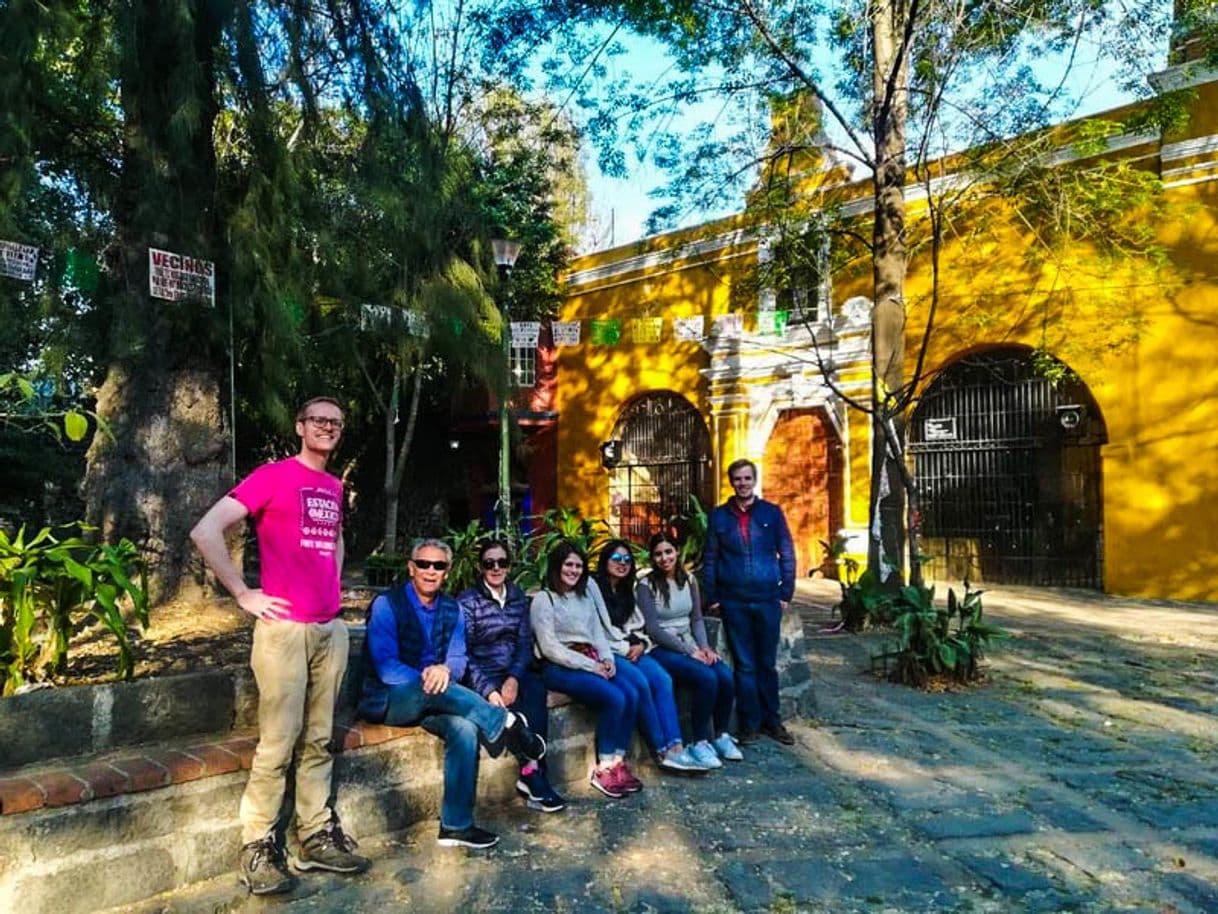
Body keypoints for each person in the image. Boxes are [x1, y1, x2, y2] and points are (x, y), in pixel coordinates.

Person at [189, 396, 369, 895]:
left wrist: (332, 590)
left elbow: (333, 541)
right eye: (318, 421)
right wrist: (243, 593)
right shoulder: (273, 475)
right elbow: (205, 530)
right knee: (279, 741)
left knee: (319, 739)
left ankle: (315, 833)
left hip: (329, 630)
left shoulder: (333, 486)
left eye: (335, 422)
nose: (327, 428)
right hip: (283, 631)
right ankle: (259, 844)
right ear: (300, 426)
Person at [358, 538, 546, 850]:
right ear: (411, 567)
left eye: (439, 565)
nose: (431, 571)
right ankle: (508, 725)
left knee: (464, 727)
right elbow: (386, 666)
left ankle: (456, 825)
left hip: (439, 695)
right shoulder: (386, 606)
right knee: (432, 688)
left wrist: (444, 671)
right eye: (424, 564)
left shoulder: (452, 608)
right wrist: (428, 677)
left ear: (447, 571)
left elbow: (458, 660)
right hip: (390, 698)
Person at [457, 539, 566, 813]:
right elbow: (463, 654)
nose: (496, 568)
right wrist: (488, 690)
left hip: (513, 672)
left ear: (509, 565)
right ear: (480, 567)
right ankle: (533, 775)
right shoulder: (468, 601)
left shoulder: (517, 596)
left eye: (502, 562)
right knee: (511, 710)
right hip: (483, 673)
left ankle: (534, 771)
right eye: (489, 563)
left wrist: (515, 677)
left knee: (536, 691)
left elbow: (524, 643)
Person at [530, 540, 643, 799]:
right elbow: (550, 648)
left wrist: (607, 660)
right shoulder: (544, 600)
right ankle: (603, 768)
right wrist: (592, 666)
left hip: (590, 660)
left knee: (631, 693)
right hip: (558, 667)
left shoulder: (584, 597)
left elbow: (597, 634)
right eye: (568, 564)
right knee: (614, 697)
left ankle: (617, 762)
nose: (573, 570)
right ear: (557, 566)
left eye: (579, 566)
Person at [703, 458, 797, 746]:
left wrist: (785, 593)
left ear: (754, 481)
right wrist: (713, 597)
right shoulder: (719, 517)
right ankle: (749, 725)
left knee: (766, 664)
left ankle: (773, 721)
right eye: (737, 479)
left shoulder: (771, 513)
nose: (742, 483)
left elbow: (787, 552)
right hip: (734, 601)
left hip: (768, 599)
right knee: (744, 666)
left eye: (747, 478)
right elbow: (710, 558)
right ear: (732, 482)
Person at [592, 540, 709, 772]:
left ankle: (676, 748)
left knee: (663, 679)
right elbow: (597, 631)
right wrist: (628, 648)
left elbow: (640, 626)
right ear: (605, 561)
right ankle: (662, 750)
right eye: (616, 559)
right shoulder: (594, 588)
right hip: (608, 653)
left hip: (632, 649)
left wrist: (641, 644)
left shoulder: (626, 589)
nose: (622, 564)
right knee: (642, 683)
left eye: (627, 560)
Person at [637, 532, 743, 766]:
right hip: (661, 647)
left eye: (668, 552)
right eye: (658, 554)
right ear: (652, 558)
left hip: (690, 643)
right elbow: (653, 629)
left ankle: (721, 736)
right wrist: (689, 651)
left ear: (677, 552)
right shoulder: (646, 585)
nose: (664, 558)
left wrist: (705, 647)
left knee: (724, 675)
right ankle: (698, 741)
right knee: (706, 677)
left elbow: (696, 619)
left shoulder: (690, 580)